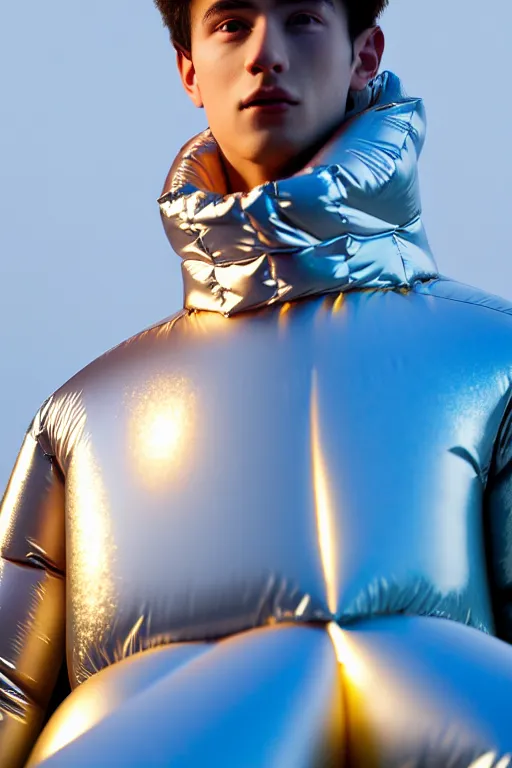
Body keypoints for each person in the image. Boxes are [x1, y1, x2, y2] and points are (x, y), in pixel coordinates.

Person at [2, 0, 512, 765]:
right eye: (231, 22)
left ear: (364, 54)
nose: (264, 52)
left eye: (302, 17)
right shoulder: (82, 420)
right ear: (188, 70)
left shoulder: (493, 364)